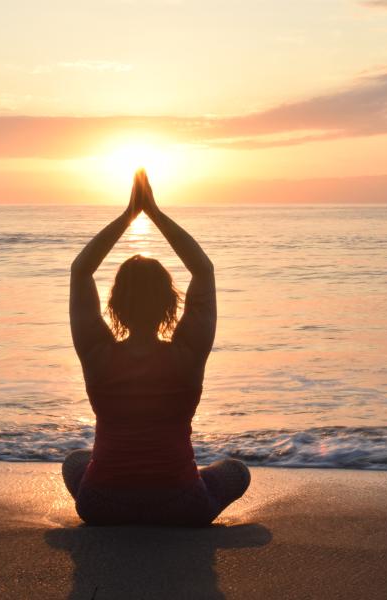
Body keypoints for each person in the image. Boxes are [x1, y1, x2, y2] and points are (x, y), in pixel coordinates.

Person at [62, 169, 250, 526]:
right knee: (237, 471)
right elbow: (203, 270)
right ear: (170, 305)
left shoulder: (97, 354)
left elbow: (80, 272)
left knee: (75, 460)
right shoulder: (188, 355)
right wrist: (155, 214)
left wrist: (128, 215)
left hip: (101, 505)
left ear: (114, 306)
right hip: (181, 506)